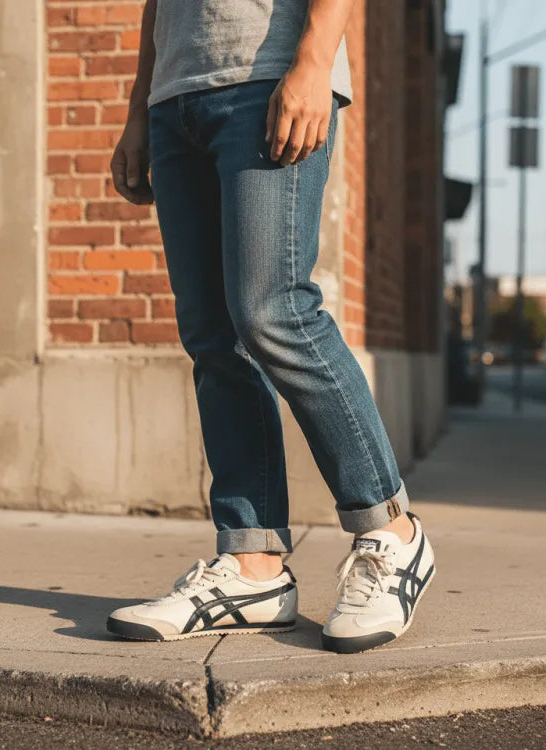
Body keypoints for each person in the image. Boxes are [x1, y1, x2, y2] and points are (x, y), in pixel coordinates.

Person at [106, 0, 435, 654]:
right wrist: (140, 105)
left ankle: (392, 530)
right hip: (177, 96)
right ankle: (253, 565)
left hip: (268, 72)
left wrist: (313, 61)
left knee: (274, 310)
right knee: (213, 339)